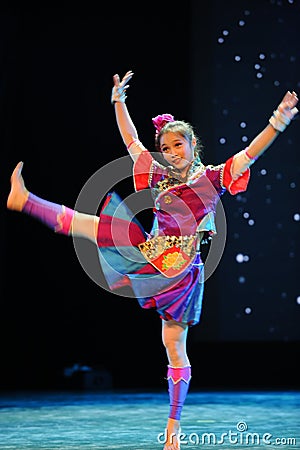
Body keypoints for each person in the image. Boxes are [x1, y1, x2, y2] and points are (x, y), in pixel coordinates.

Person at [7, 70, 298, 450]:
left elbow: (251, 152)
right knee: (99, 226)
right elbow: (130, 140)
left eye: (179, 145)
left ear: (194, 144)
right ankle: (25, 200)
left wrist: (278, 120)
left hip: (179, 270)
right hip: (152, 254)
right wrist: (119, 101)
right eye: (167, 146)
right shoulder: (157, 175)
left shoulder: (212, 179)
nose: (172, 152)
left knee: (175, 347)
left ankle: (173, 431)